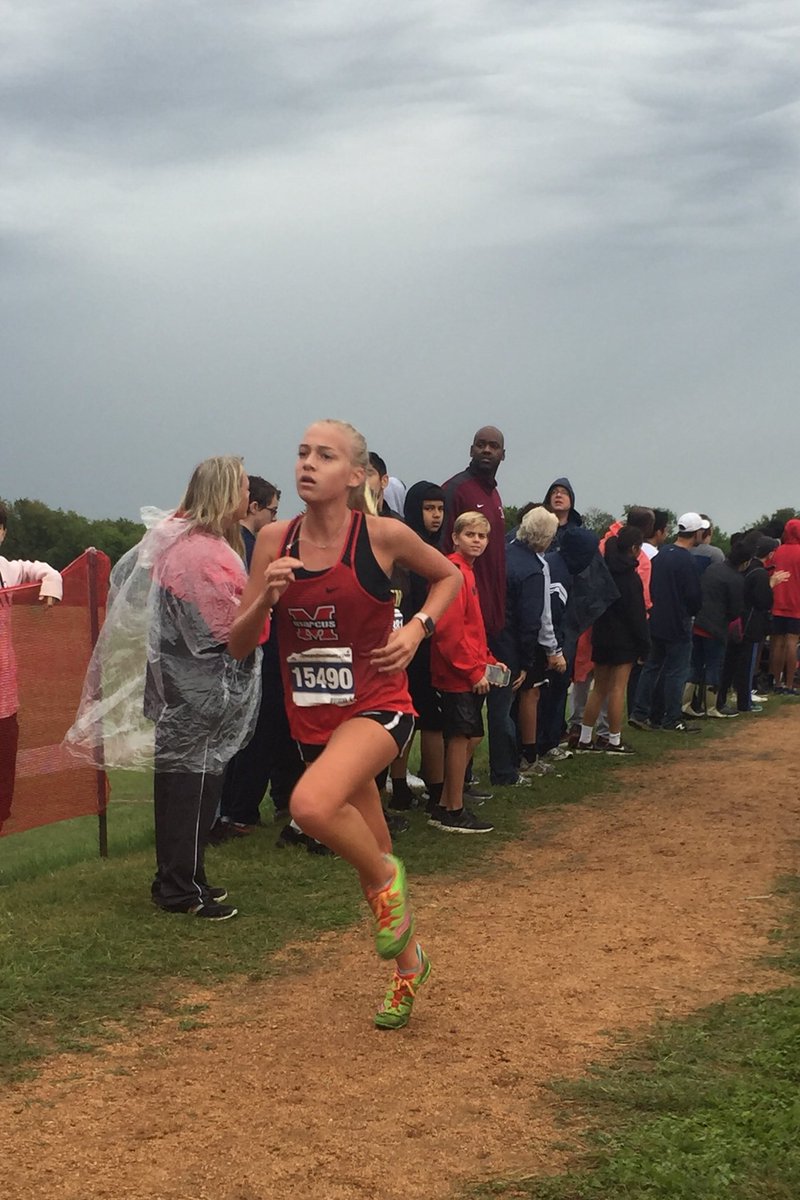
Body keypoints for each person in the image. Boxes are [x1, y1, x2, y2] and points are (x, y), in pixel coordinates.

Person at [229, 420, 461, 1030]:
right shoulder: (273, 541)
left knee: (310, 806)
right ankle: (410, 967)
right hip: (314, 722)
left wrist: (416, 630)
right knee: (369, 850)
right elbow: (238, 645)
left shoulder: (383, 535)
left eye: (324, 455)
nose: (308, 463)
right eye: (302, 452)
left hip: (380, 706)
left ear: (355, 475)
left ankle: (392, 879)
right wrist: (264, 598)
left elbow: (451, 576)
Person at [68, 457, 263, 918]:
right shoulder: (203, 554)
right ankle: (180, 887)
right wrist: (264, 603)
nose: (246, 498)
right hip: (196, 692)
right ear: (222, 493)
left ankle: (184, 877)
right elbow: (225, 630)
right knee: (190, 788)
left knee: (192, 786)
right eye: (240, 488)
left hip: (188, 690)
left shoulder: (191, 544)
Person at [215, 478, 304, 837]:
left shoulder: (238, 542)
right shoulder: (245, 545)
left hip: (260, 654)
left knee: (276, 730)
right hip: (258, 654)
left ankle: (284, 800)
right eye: (271, 512)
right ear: (254, 507)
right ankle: (240, 812)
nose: (273, 520)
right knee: (258, 733)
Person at [440, 427, 510, 790]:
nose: (486, 450)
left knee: (475, 718)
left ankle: (461, 784)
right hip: (461, 612)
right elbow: (441, 554)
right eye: (481, 445)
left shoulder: (493, 493)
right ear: (471, 448)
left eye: (493, 446)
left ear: (503, 454)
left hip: (488, 616)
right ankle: (452, 791)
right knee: (460, 724)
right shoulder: (457, 489)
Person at [429, 511, 508, 832]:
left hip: (469, 669)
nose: (477, 541)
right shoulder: (453, 573)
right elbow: (448, 632)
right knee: (462, 737)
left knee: (468, 736)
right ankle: (452, 808)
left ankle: (449, 801)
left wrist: (488, 660)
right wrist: (472, 671)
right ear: (456, 537)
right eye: (471, 535)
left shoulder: (466, 573)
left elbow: (472, 629)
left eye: (482, 536)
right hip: (456, 674)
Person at [0, 502, 63, 832]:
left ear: (3, 533)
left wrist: (51, 587)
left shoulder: (6, 569)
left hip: (5, 706)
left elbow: (46, 570)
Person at [497, 506, 565, 776]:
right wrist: (552, 650)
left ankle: (503, 763)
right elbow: (538, 615)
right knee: (520, 697)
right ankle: (518, 761)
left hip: (495, 637)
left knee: (498, 705)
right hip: (517, 644)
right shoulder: (537, 567)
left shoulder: (503, 551)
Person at [629, 512, 704, 734]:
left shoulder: (661, 555)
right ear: (696, 533)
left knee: (651, 668)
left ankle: (640, 712)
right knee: (676, 671)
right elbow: (693, 596)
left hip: (656, 620)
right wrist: (692, 612)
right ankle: (672, 718)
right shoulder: (687, 559)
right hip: (677, 622)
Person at [576, 526, 649, 754]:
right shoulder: (631, 578)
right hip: (624, 640)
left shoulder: (604, 573)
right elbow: (637, 615)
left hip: (601, 636)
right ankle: (613, 740)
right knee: (618, 689)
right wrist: (644, 644)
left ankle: (585, 737)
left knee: (598, 688)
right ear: (635, 549)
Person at [401, 481, 448, 813]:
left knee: (432, 719)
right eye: (429, 508)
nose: (436, 515)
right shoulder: (404, 549)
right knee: (407, 720)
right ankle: (399, 784)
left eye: (441, 509)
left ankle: (436, 788)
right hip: (408, 646)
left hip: (435, 648)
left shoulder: (439, 548)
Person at [769, 517, 800, 693]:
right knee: (791, 643)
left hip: (778, 601)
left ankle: (776, 682)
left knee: (777, 643)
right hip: (796, 603)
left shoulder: (778, 551)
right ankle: (790, 684)